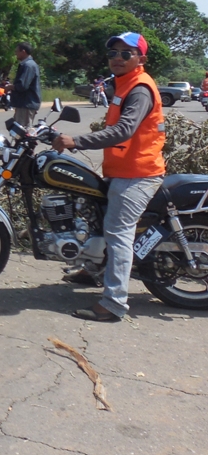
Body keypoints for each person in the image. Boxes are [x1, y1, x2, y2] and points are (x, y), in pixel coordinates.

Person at [52, 32, 165, 322]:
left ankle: (114, 303)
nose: (117, 58)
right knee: (95, 215)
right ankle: (94, 269)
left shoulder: (138, 88)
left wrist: (76, 141)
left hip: (137, 173)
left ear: (141, 58)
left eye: (126, 53)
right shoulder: (123, 84)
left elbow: (124, 130)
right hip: (122, 169)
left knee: (118, 233)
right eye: (113, 53)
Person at [7, 42, 42, 127]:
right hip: (24, 103)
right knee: (18, 130)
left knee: (22, 132)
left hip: (26, 103)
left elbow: (22, 86)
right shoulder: (28, 64)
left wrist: (10, 87)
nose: (16, 54)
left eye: (17, 51)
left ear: (23, 51)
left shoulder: (28, 65)